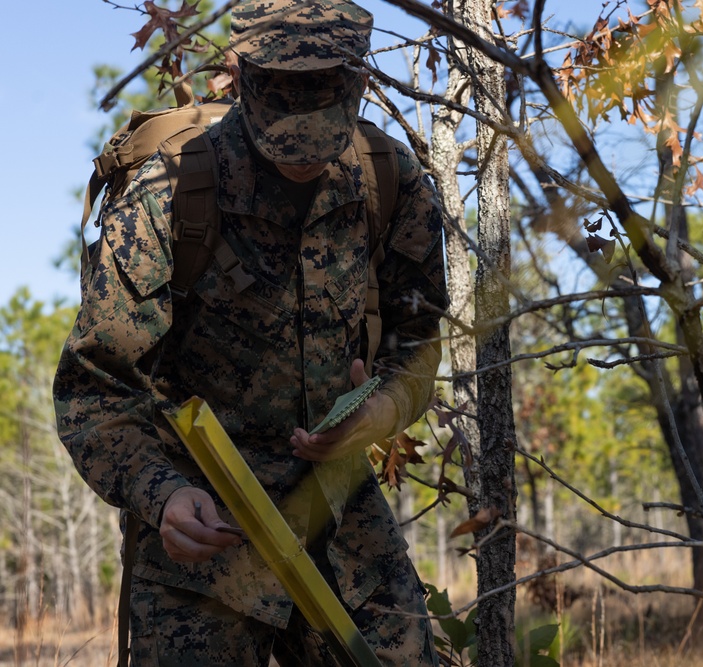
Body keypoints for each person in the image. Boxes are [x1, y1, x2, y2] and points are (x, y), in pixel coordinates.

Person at [53, 1, 446, 664]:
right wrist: (162, 493)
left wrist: (384, 407)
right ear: (242, 76)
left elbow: (420, 339)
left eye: (319, 121)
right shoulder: (171, 193)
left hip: (341, 524)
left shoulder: (390, 180)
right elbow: (94, 390)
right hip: (201, 536)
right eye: (280, 126)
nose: (299, 151)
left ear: (355, 85)